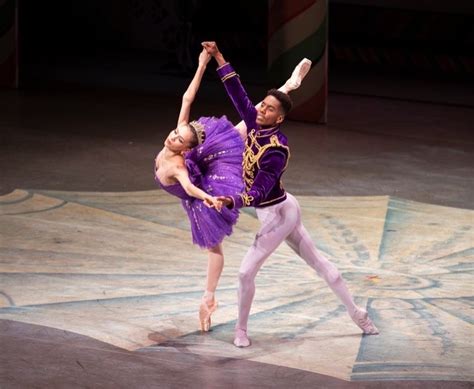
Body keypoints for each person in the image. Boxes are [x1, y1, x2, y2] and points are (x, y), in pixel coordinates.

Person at [202, 41, 379, 348]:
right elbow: (237, 92)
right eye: (262, 105)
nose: (260, 109)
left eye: (268, 108)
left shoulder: (276, 151)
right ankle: (358, 313)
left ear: (278, 118)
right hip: (281, 208)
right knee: (320, 264)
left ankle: (241, 330)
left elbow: (258, 192)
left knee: (245, 273)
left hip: (279, 213)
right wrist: (219, 57)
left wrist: (233, 200)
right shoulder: (256, 124)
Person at [154, 47, 312, 332]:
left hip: (208, 183)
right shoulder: (178, 142)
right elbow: (186, 98)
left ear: (187, 148)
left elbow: (190, 188)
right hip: (202, 164)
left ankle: (208, 299)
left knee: (245, 126)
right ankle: (287, 86)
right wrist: (202, 64)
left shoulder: (178, 165)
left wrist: (212, 199)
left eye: (178, 137)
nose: (172, 136)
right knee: (243, 128)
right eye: (175, 133)